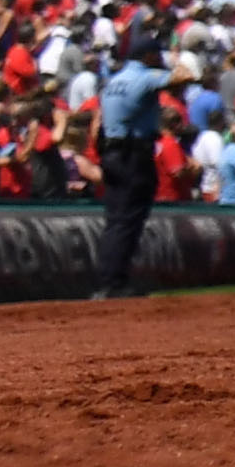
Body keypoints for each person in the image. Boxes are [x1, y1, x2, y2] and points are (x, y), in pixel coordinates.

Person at [88, 19, 170, 299]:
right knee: (129, 219)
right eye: (157, 54)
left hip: (112, 152)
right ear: (147, 56)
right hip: (133, 154)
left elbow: (98, 122)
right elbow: (181, 76)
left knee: (116, 219)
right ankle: (114, 282)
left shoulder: (113, 80)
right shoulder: (145, 77)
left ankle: (108, 279)